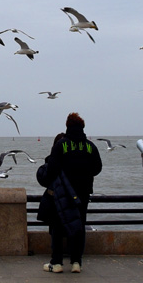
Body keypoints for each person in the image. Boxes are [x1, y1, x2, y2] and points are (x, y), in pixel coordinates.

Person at [40, 113, 102, 274]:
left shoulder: (61, 145)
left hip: (63, 194)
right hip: (83, 194)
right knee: (79, 226)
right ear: (82, 127)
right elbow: (97, 168)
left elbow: (52, 170)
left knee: (58, 226)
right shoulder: (90, 146)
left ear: (67, 126)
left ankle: (57, 263)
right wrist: (84, 176)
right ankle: (76, 262)